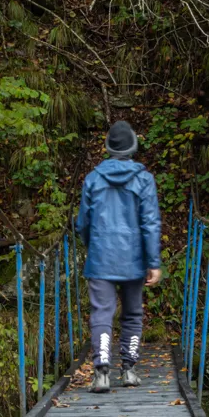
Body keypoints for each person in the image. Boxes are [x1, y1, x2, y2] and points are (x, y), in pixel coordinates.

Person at [76, 120, 162, 393]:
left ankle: (101, 372)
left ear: (108, 147)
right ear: (133, 147)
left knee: (102, 313)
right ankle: (129, 370)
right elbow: (150, 223)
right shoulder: (144, 179)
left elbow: (83, 223)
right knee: (133, 314)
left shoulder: (93, 178)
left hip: (101, 257)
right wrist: (153, 263)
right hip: (134, 260)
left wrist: (94, 246)